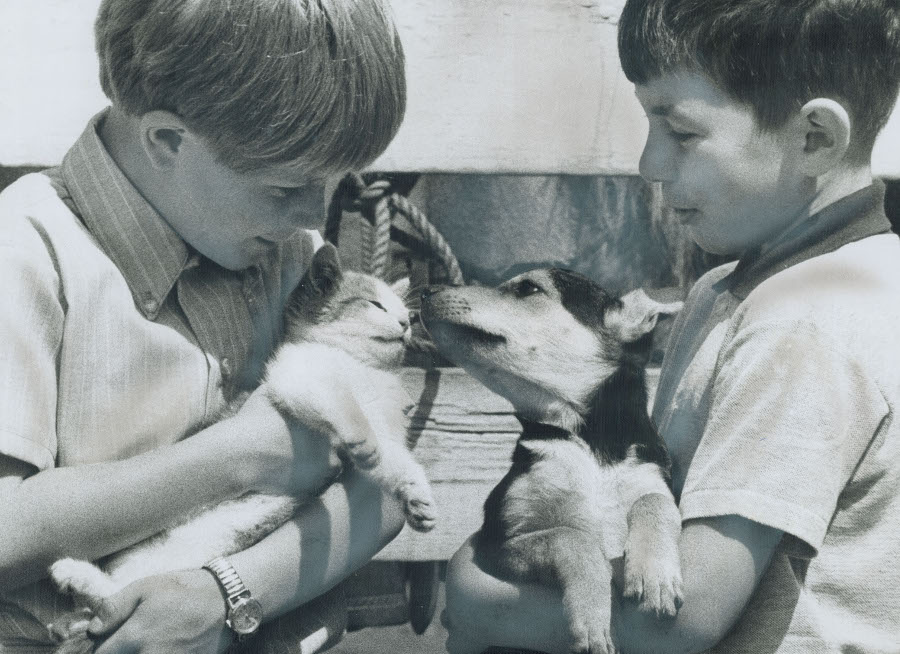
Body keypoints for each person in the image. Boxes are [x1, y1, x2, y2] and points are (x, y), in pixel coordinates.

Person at [441, 0, 900, 652]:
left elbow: (682, 621)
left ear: (815, 139)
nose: (649, 164)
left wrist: (477, 598)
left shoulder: (801, 327)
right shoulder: (733, 290)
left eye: (681, 133)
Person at [0, 0, 408, 652]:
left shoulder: (289, 258)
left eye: (335, 185)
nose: (313, 215)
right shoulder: (24, 251)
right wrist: (236, 457)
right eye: (284, 188)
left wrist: (226, 592)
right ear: (167, 140)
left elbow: (387, 487)